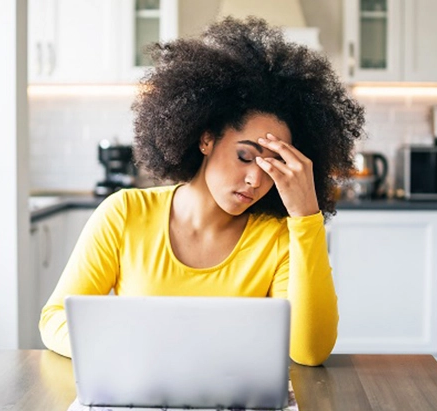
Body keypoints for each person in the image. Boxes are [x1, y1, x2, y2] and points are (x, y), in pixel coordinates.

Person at [39, 17, 365, 366]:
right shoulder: (125, 213)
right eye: (245, 156)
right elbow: (55, 319)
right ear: (206, 139)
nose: (256, 179)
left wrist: (306, 218)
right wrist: (126, 350)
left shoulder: (278, 237)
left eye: (272, 166)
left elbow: (309, 352)